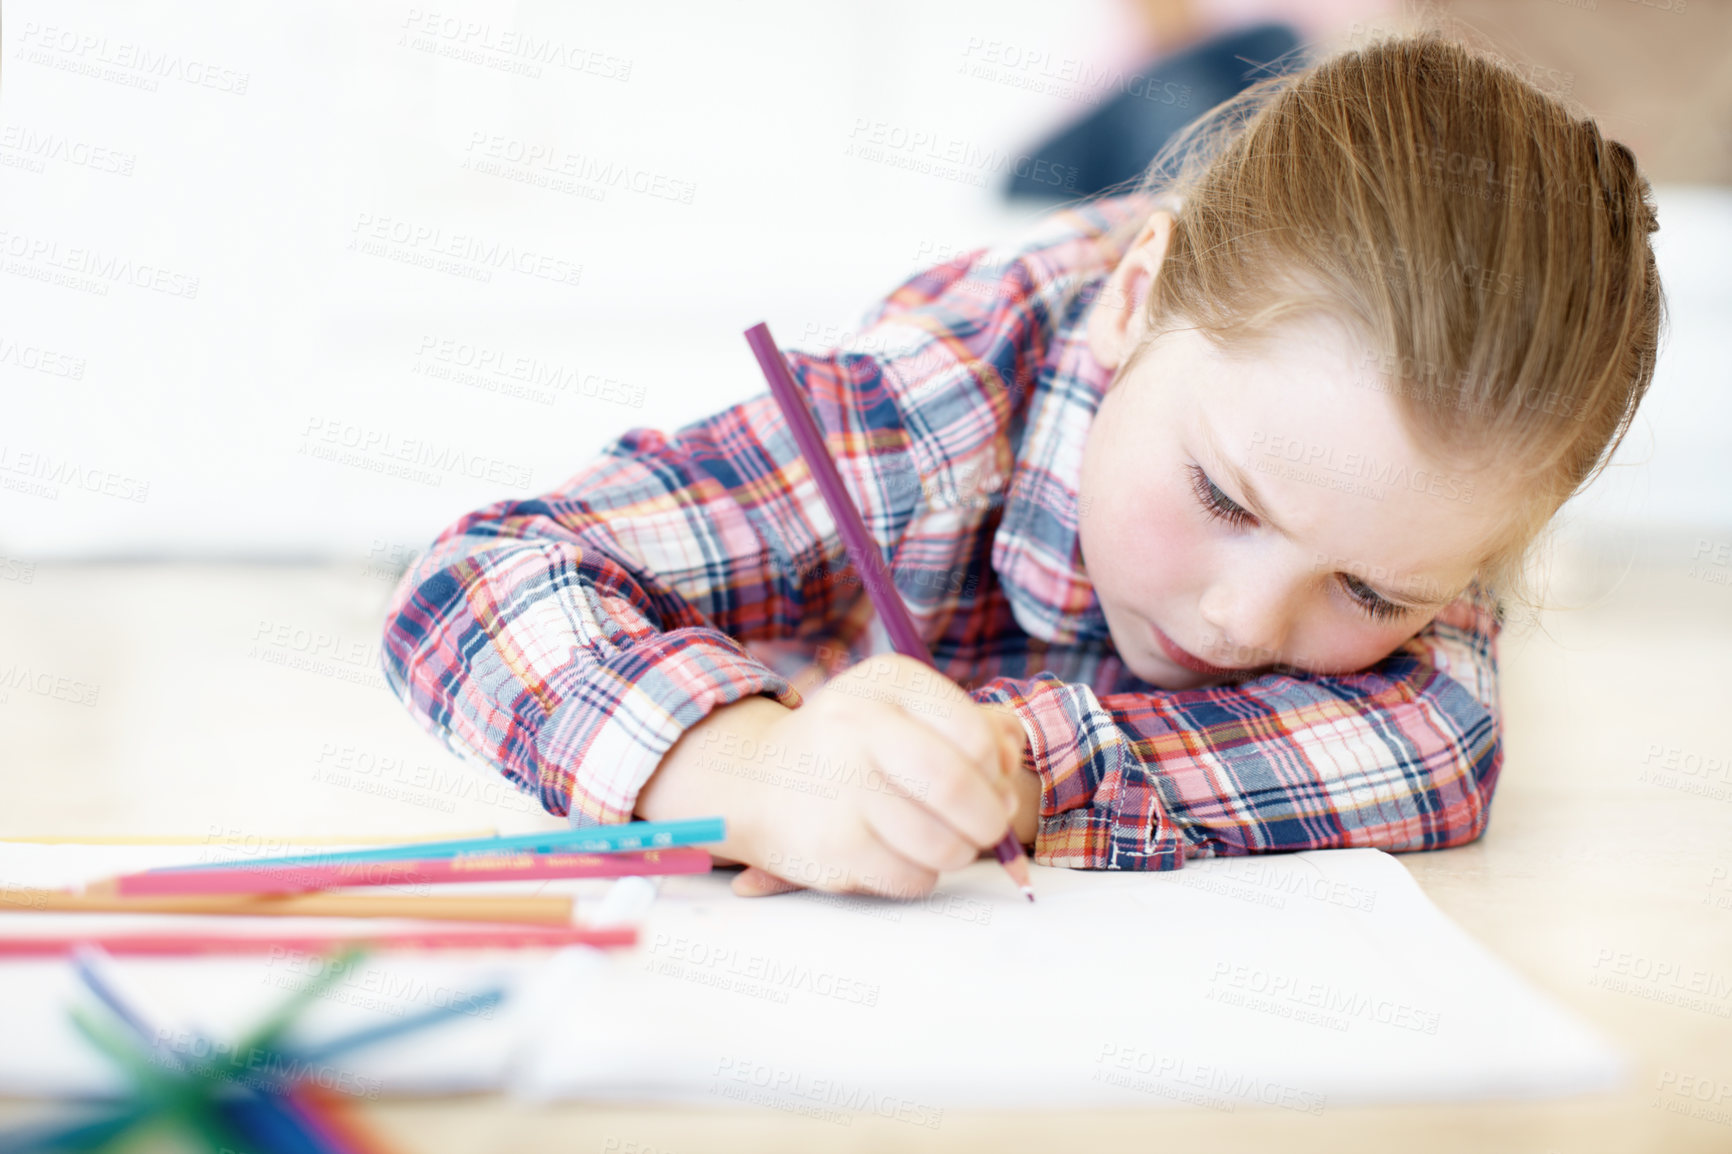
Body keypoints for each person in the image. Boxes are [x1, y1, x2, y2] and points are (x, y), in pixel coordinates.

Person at [380, 31, 1662, 900]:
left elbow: (1438, 740)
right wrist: (746, 763)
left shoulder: (1422, 468)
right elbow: (472, 586)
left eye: (1375, 597)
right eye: (1223, 498)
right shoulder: (922, 413)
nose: (1242, 617)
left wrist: (1005, 763)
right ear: (1137, 293)